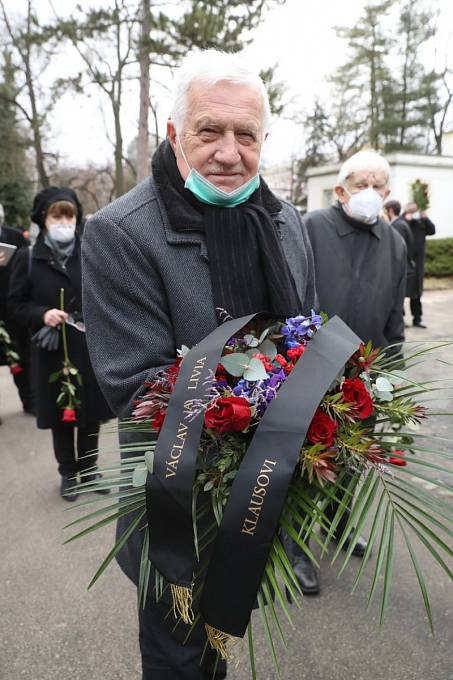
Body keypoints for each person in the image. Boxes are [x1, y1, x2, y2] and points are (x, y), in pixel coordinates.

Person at [81, 49, 316, 680]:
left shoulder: (285, 221)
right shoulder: (121, 232)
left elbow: (310, 338)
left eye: (247, 135)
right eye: (209, 131)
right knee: (180, 660)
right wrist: (266, 404)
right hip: (176, 511)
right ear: (173, 135)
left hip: (266, 497)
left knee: (226, 650)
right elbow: (139, 385)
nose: (230, 152)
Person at [299, 150, 407, 595]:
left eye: (379, 184)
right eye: (361, 182)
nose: (371, 191)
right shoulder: (312, 229)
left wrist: (392, 375)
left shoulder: (395, 242)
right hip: (307, 371)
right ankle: (295, 545)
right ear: (340, 190)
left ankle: (339, 525)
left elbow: (394, 315)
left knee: (350, 461)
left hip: (364, 376)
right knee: (305, 462)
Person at [8, 187, 113, 501]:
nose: (64, 221)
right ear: (44, 218)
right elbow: (15, 305)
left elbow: (106, 293)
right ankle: (68, 472)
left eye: (69, 215)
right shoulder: (28, 258)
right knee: (62, 413)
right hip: (53, 348)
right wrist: (42, 314)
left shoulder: (90, 251)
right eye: (57, 215)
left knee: (91, 411)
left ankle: (90, 467)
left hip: (88, 344)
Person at [0, 202, 34, 416]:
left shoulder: (14, 237)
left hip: (12, 307)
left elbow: (26, 268)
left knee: (21, 358)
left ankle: (30, 402)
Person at [402, 202, 436, 328]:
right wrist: (407, 219)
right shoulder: (404, 222)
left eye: (416, 211)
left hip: (418, 263)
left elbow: (432, 231)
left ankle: (417, 318)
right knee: (402, 291)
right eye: (412, 211)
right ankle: (401, 318)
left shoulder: (422, 222)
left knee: (416, 292)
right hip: (406, 261)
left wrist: (425, 217)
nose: (414, 213)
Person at [384, 200, 417, 316]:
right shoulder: (401, 223)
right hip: (403, 266)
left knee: (397, 297)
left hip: (400, 268)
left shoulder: (397, 225)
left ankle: (399, 320)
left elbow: (397, 250)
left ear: (391, 211)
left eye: (385, 210)